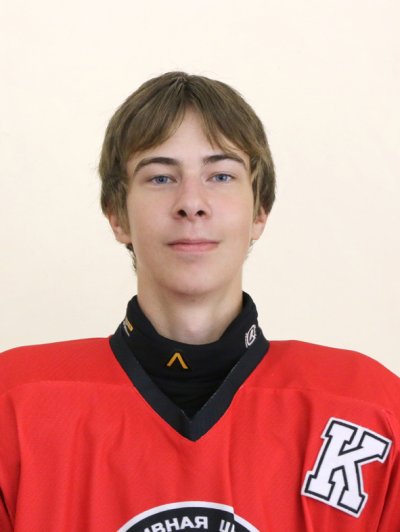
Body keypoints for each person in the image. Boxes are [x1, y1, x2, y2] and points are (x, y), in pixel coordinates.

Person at [0, 72, 399, 532]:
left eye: (221, 175)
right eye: (161, 177)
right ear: (117, 215)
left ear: (260, 211)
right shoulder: (16, 407)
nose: (192, 202)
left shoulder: (371, 411)